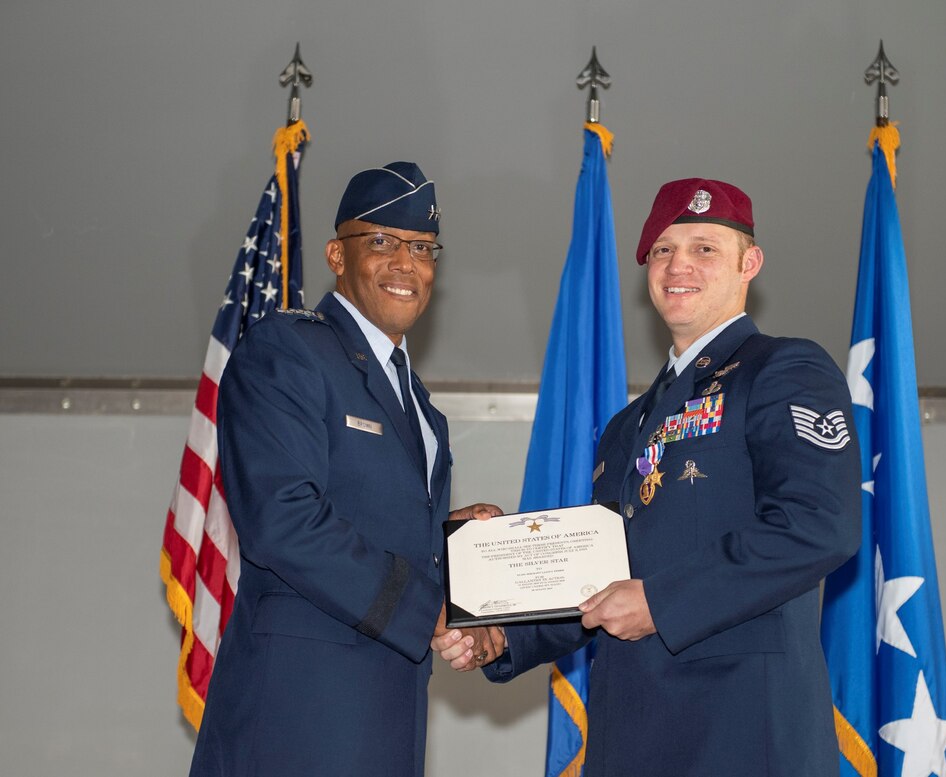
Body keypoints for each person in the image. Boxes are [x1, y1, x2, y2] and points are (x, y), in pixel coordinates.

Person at [434, 177, 861, 776]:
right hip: (629, 735)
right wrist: (503, 633)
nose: (678, 264)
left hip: (742, 731)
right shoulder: (625, 426)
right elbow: (596, 577)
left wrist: (660, 602)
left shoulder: (784, 370)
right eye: (662, 250)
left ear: (750, 263)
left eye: (704, 247)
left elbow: (820, 526)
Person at [189, 162, 504, 777]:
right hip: (298, 718)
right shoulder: (287, 350)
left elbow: (372, 517)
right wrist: (429, 609)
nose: (404, 264)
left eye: (421, 248)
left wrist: (456, 540)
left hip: (389, 717)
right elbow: (282, 519)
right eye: (380, 242)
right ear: (337, 254)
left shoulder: (422, 406)